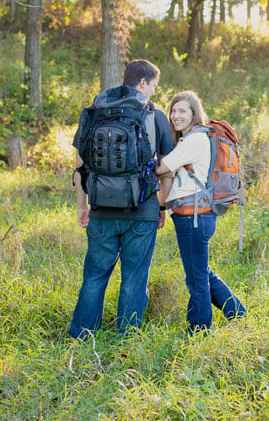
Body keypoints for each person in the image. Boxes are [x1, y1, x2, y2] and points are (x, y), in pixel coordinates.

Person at [69, 59, 174, 339]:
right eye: (153, 85)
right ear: (142, 83)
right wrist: (161, 206)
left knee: (94, 275)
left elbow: (79, 165)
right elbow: (167, 167)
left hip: (101, 208)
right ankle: (127, 337)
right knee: (134, 277)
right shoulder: (155, 115)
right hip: (143, 210)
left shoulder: (95, 112)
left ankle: (82, 335)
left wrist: (82, 205)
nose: (153, 91)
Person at [155, 90, 246, 334]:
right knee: (201, 271)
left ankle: (199, 331)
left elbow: (162, 168)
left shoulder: (195, 140)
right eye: (173, 111)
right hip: (197, 215)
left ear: (194, 114)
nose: (175, 116)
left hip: (193, 217)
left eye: (182, 111)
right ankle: (237, 313)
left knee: (196, 279)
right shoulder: (190, 139)